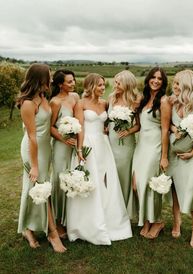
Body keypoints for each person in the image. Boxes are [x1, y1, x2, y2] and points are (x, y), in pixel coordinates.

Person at [66, 73, 132, 245]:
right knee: (90, 180)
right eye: (100, 85)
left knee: (105, 180)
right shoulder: (80, 104)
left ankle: (109, 218)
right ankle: (87, 224)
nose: (103, 88)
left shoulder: (105, 103)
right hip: (87, 144)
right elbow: (80, 128)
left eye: (104, 85)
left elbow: (106, 124)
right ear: (90, 86)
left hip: (104, 145)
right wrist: (79, 149)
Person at [16, 63, 66, 252]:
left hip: (45, 148)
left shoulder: (43, 96)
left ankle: (27, 228)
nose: (51, 79)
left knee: (34, 188)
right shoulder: (28, 103)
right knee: (41, 188)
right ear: (40, 79)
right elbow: (32, 137)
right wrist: (35, 166)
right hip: (32, 151)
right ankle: (52, 234)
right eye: (49, 76)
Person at [167, 69, 193, 248]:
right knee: (176, 189)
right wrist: (173, 129)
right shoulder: (172, 101)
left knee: (192, 187)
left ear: (187, 85)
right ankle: (177, 221)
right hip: (174, 154)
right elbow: (167, 123)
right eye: (174, 83)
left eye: (178, 84)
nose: (175, 86)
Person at [127, 67, 171, 239]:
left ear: (163, 82)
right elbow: (139, 125)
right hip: (141, 146)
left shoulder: (164, 101)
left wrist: (164, 156)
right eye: (153, 77)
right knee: (137, 185)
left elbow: (165, 130)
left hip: (155, 146)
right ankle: (146, 220)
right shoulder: (143, 99)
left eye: (160, 79)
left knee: (151, 184)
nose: (156, 81)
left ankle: (157, 221)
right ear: (148, 79)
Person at [50, 69, 79, 238]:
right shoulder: (55, 102)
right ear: (60, 84)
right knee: (60, 180)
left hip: (75, 145)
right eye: (69, 82)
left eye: (73, 80)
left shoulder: (75, 97)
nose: (73, 83)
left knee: (73, 179)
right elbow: (51, 126)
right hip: (62, 147)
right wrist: (63, 139)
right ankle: (58, 222)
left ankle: (71, 219)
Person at [107, 70, 141, 206]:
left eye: (118, 82)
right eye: (115, 82)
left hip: (125, 145)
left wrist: (128, 131)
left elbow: (139, 125)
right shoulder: (112, 98)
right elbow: (107, 118)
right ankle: (113, 208)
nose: (115, 85)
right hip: (110, 142)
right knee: (111, 175)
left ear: (127, 84)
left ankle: (126, 208)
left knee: (123, 175)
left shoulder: (136, 100)